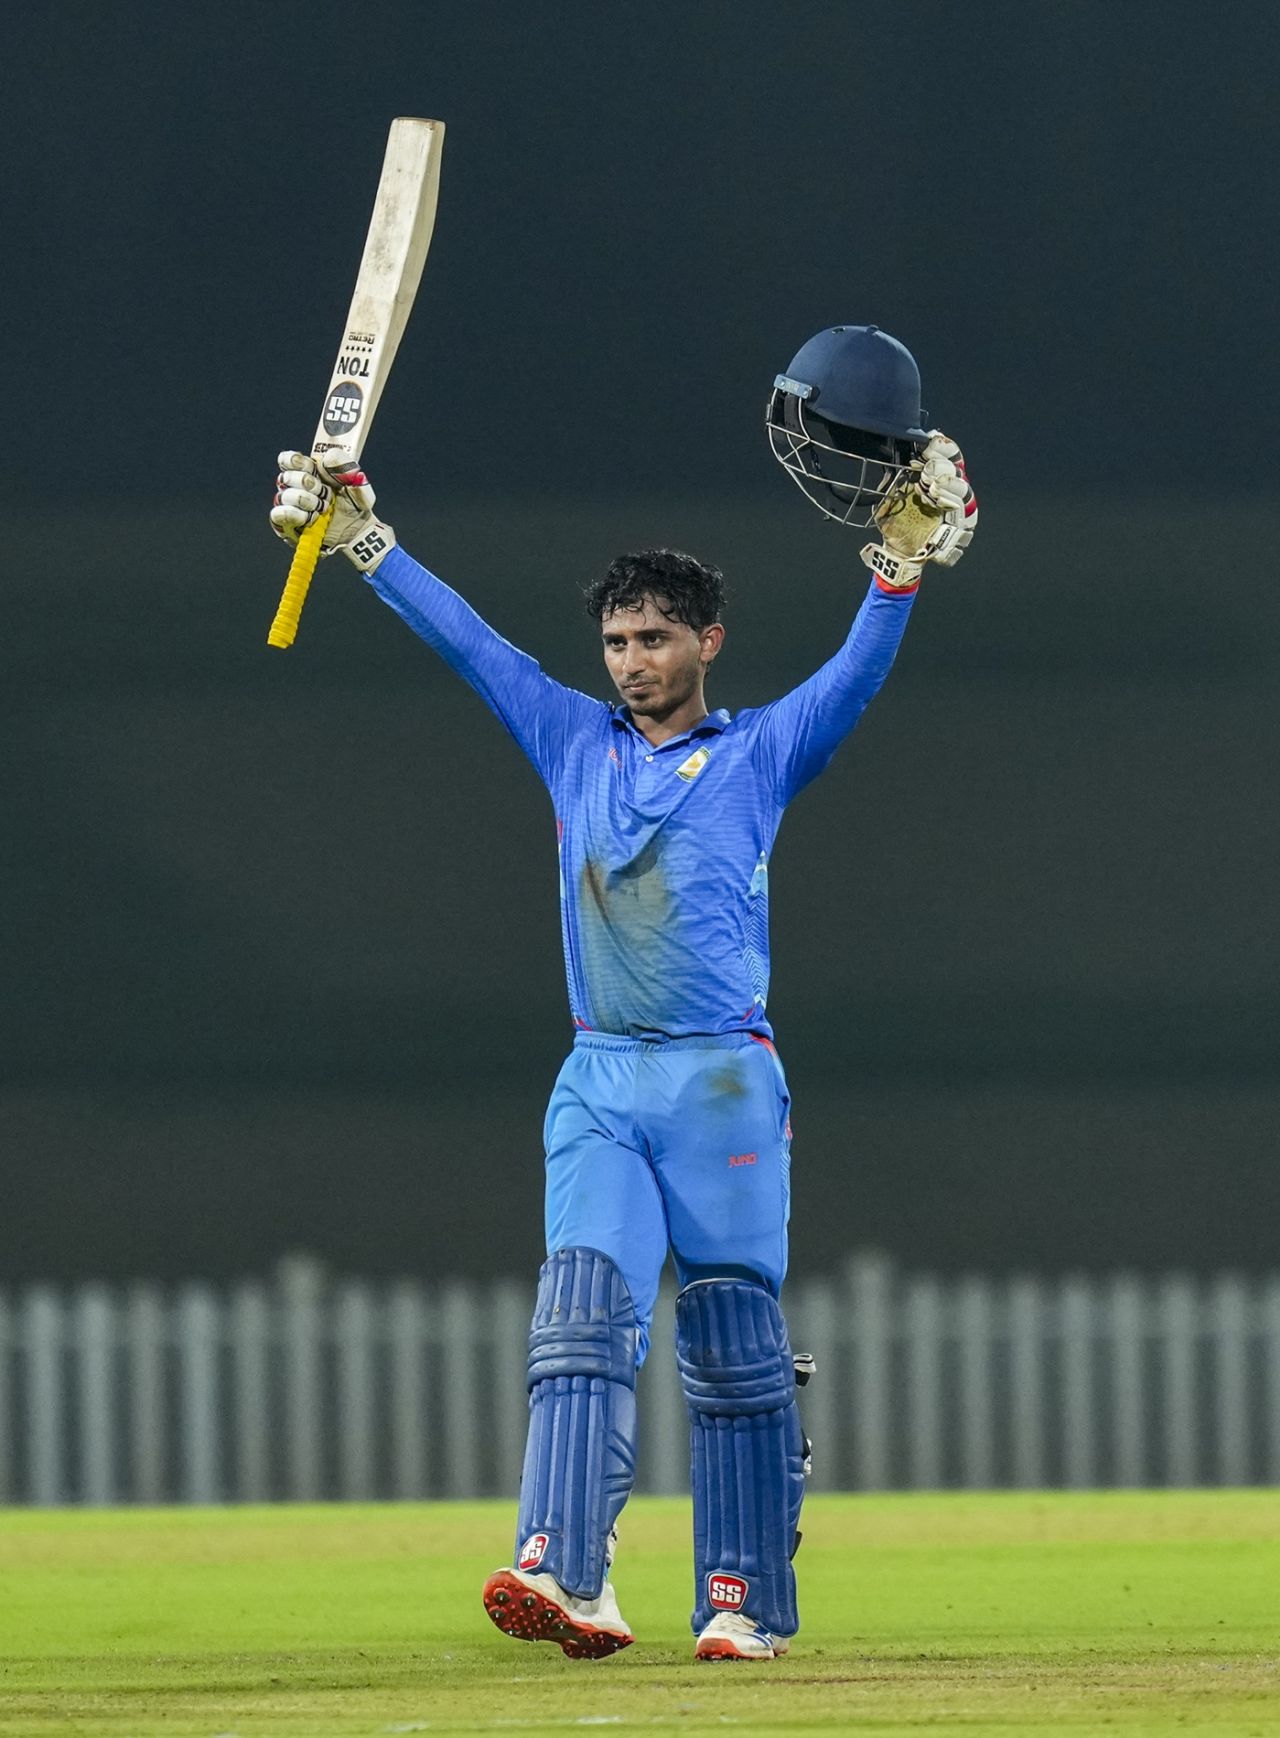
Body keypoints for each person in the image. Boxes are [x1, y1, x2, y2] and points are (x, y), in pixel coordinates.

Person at [270, 325, 977, 1663]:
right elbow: (472, 643)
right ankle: (567, 1570)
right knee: (580, 1312)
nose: (631, 659)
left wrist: (898, 566)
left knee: (731, 1341)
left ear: (707, 639)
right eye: (614, 638)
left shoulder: (761, 752)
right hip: (600, 1074)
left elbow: (857, 674)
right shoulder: (567, 737)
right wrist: (363, 539)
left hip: (720, 1074)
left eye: (655, 637)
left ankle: (745, 1599)